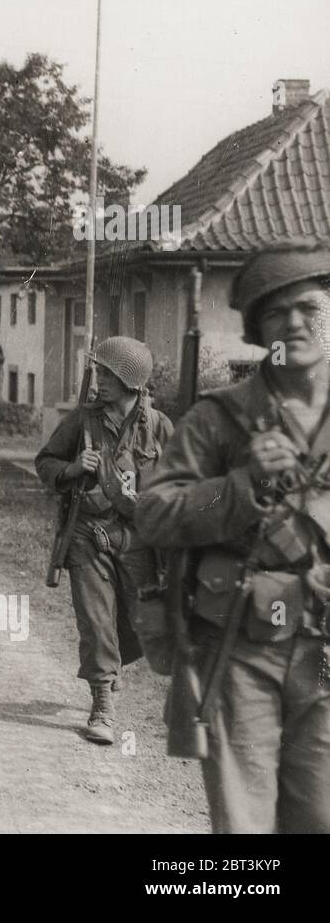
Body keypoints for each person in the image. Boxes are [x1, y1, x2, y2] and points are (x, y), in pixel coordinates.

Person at [137, 241, 330, 833]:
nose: (295, 323)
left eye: (310, 307)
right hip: (240, 648)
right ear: (257, 328)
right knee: (245, 825)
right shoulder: (220, 418)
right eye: (277, 312)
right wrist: (242, 487)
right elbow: (154, 511)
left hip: (325, 653)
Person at [35, 336, 172, 744]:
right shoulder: (83, 420)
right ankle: (102, 702)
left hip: (136, 539)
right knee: (95, 621)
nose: (99, 380)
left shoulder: (160, 427)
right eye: (99, 371)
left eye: (108, 374)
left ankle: (110, 669)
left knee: (140, 625)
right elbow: (45, 461)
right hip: (88, 535)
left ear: (132, 382)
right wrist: (75, 468)